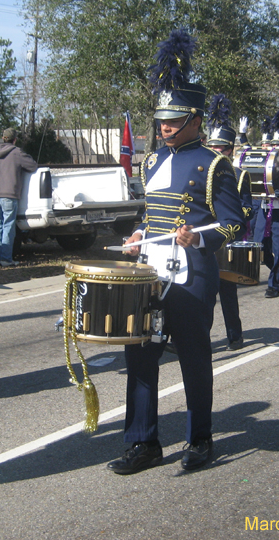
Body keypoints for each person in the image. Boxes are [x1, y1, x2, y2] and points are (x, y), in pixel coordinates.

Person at [110, 29, 244, 475]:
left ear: (194, 119)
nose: (164, 126)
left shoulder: (213, 163)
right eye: (161, 118)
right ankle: (143, 442)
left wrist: (200, 237)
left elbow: (232, 221)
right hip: (152, 268)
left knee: (193, 355)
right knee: (140, 353)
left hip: (192, 273)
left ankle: (200, 438)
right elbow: (154, 216)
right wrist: (138, 235)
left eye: (174, 119)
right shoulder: (151, 161)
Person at [205, 95, 253, 350]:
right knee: (202, 293)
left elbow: (247, 207)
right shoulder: (201, 171)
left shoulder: (239, 175)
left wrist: (234, 215)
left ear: (230, 151)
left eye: (221, 149)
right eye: (212, 148)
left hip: (226, 239)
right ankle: (198, 336)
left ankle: (235, 334)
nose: (216, 153)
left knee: (227, 292)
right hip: (203, 240)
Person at [253, 110, 279, 298]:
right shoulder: (264, 163)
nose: (276, 148)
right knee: (259, 248)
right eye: (274, 145)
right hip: (263, 210)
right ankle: (277, 267)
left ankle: (274, 284)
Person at [0, 127, 38, 267]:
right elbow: (32, 166)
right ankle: (6, 259)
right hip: (10, 195)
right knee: (8, 227)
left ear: (3, 138)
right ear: (14, 139)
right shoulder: (16, 152)